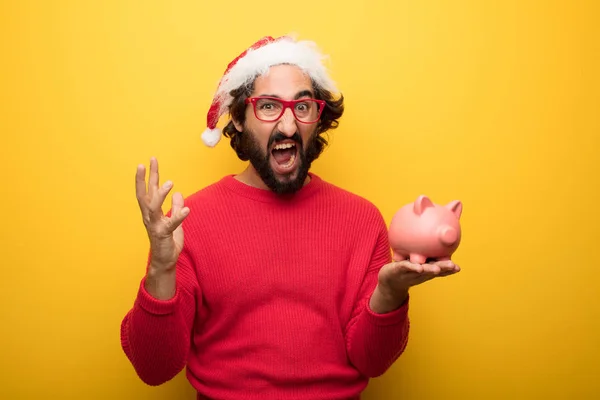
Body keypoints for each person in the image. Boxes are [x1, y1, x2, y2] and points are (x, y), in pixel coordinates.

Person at [120, 35, 460, 400]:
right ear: (237, 118)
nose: (287, 127)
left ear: (319, 117)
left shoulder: (362, 220)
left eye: (303, 107)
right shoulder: (190, 221)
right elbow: (154, 369)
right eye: (268, 106)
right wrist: (160, 269)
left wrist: (390, 293)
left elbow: (372, 362)